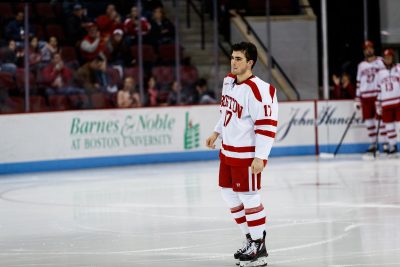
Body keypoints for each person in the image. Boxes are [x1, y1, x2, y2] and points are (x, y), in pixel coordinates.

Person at [206, 42, 278, 267]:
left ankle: (259, 246)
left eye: (239, 59)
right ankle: (250, 240)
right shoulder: (229, 82)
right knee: (228, 194)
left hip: (246, 156)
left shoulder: (260, 90)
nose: (234, 62)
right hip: (227, 151)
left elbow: (267, 126)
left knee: (250, 198)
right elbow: (226, 111)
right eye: (233, 57)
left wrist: (261, 156)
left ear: (250, 63)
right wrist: (216, 132)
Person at [355, 40, 387, 154]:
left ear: (373, 49)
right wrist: (357, 98)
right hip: (365, 97)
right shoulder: (361, 65)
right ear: (364, 51)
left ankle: (385, 144)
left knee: (381, 122)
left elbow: (386, 77)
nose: (368, 50)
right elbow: (358, 82)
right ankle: (373, 144)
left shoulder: (381, 61)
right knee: (369, 122)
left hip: (377, 95)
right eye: (366, 48)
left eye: (370, 48)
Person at [375, 49, 400, 156]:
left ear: (393, 58)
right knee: (389, 127)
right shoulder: (379, 73)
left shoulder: (398, 68)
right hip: (386, 103)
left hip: (398, 102)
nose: (387, 59)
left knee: (399, 126)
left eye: (389, 57)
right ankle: (393, 146)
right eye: (385, 57)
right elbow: (378, 89)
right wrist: (378, 104)